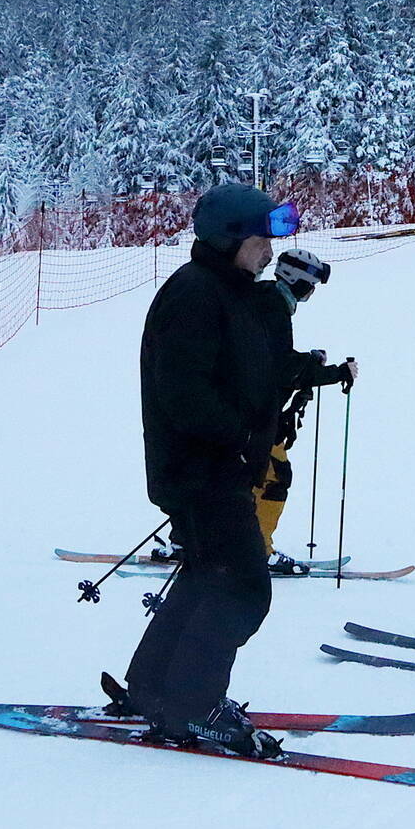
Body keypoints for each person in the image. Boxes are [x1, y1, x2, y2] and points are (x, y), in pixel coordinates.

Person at [124, 183, 302, 757]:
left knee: (209, 576)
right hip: (202, 471)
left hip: (214, 467)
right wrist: (242, 438)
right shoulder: (195, 296)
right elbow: (186, 395)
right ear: (233, 240)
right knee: (244, 588)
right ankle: (193, 704)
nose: (271, 251)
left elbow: (249, 371)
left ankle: (155, 687)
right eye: (263, 238)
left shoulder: (231, 292)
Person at [251, 248, 355, 571]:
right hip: (251, 419)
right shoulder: (272, 307)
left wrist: (308, 360)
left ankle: (188, 539)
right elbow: (281, 368)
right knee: (275, 477)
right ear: (297, 282)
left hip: (247, 414)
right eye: (311, 284)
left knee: (236, 480)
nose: (311, 292)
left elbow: (272, 357)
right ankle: (257, 551)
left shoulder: (267, 300)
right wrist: (335, 372)